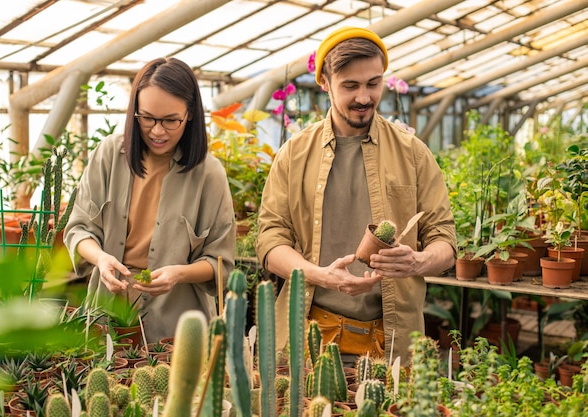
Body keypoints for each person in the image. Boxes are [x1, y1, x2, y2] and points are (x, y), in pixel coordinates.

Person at [256, 27, 456, 366]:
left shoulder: (413, 154)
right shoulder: (294, 155)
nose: (364, 97)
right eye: (350, 86)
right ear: (324, 82)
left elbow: (445, 241)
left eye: (373, 83)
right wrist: (318, 275)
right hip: (307, 336)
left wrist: (417, 261)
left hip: (391, 340)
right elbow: (269, 240)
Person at [64, 57, 236, 343]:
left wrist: (179, 274)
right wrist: (102, 258)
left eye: (170, 120)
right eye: (147, 118)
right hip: (107, 312)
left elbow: (221, 263)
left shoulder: (208, 173)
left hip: (179, 324)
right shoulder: (108, 154)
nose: (157, 131)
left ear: (190, 114)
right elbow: (78, 229)